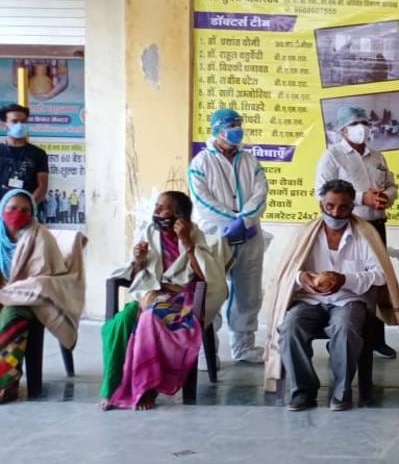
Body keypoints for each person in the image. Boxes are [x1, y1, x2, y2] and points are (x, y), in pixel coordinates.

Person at [261, 180, 399, 411]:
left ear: (352, 208)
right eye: (330, 206)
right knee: (290, 327)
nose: (335, 212)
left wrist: (344, 279)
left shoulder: (364, 235)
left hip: (348, 300)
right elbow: (286, 272)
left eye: (343, 207)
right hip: (310, 300)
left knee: (346, 327)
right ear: (321, 204)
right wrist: (302, 278)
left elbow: (380, 275)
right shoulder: (306, 233)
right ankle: (303, 390)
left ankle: (341, 391)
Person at [99, 191, 225, 410]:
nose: (156, 211)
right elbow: (138, 274)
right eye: (156, 206)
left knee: (151, 319)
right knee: (119, 323)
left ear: (178, 215)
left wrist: (186, 242)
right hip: (149, 296)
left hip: (181, 301)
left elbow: (205, 276)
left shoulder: (194, 234)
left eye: (162, 207)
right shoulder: (149, 232)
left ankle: (147, 388)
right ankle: (112, 390)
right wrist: (138, 260)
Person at [315, 105, 399, 359]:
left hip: (376, 226)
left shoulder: (377, 156)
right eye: (355, 123)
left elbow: (391, 185)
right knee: (352, 283)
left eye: (364, 122)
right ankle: (341, 338)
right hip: (349, 227)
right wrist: (363, 198)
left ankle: (376, 340)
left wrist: (386, 197)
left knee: (377, 282)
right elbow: (320, 192)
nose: (361, 127)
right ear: (342, 130)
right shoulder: (332, 156)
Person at [187, 108, 270, 363]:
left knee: (248, 290)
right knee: (210, 290)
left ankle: (243, 347)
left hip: (249, 233)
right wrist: (231, 221)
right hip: (213, 235)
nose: (238, 128)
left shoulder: (249, 160)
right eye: (232, 124)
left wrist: (244, 220)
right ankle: (205, 350)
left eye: (239, 123)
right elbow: (202, 202)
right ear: (217, 129)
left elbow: (260, 193)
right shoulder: (201, 162)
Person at [0, 189, 82, 403]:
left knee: (12, 315)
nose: (18, 213)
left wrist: (9, 293)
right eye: (12, 208)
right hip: (4, 293)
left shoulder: (40, 236)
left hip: (32, 298)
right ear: (2, 210)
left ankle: (6, 383)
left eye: (25, 210)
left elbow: (42, 281)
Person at [0, 104, 49, 205]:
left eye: (23, 121)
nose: (19, 125)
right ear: (4, 124)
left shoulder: (38, 153)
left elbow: (42, 187)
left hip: (26, 214)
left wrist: (27, 209)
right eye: (14, 121)